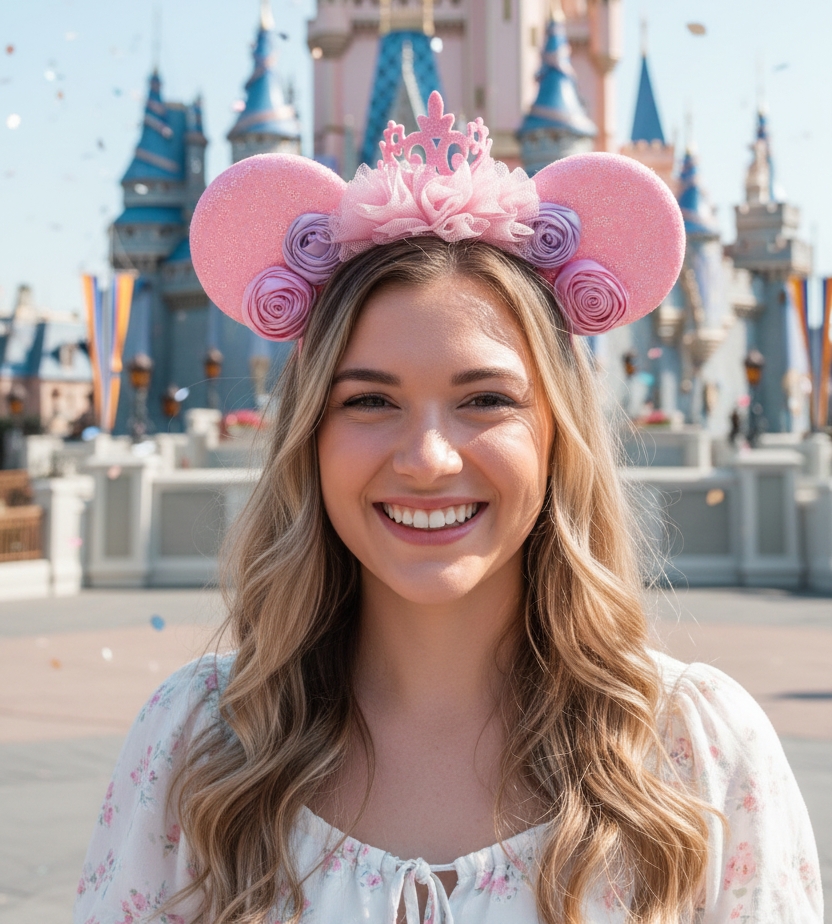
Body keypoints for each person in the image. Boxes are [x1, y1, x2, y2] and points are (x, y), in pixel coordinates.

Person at [74, 96, 822, 924]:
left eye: (486, 400)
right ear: (310, 436)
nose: (428, 458)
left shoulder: (698, 757)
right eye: (369, 401)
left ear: (558, 433)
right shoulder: (199, 747)